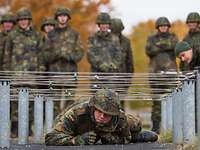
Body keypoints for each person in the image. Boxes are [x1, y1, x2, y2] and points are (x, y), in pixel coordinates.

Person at [45, 89, 158, 146]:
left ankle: (138, 136)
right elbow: (50, 138)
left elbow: (125, 139)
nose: (102, 116)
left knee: (136, 125)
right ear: (93, 108)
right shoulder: (76, 113)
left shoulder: (120, 118)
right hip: (77, 131)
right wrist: (76, 140)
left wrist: (107, 137)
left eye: (107, 114)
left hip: (110, 131)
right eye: (99, 112)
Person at [4, 7, 41, 137]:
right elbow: (7, 57)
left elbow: (40, 55)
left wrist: (40, 73)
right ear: (18, 21)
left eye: (25, 19)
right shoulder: (12, 36)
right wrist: (6, 74)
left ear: (29, 20)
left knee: (30, 104)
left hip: (32, 76)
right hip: (16, 76)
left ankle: (27, 129)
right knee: (15, 105)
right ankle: (15, 130)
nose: (23, 22)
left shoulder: (36, 35)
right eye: (21, 20)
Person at [145, 17, 178, 133]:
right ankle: (155, 126)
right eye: (161, 26)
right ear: (157, 27)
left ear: (168, 27)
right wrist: (165, 46)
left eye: (165, 26)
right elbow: (149, 50)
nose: (163, 27)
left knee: (172, 99)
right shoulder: (151, 38)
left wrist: (158, 46)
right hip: (155, 74)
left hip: (170, 74)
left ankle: (173, 127)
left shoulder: (173, 37)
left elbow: (175, 47)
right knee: (156, 102)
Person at [87, 13, 123, 95]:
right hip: (96, 74)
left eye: (106, 24)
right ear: (99, 25)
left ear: (109, 25)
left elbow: (119, 55)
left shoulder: (114, 38)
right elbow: (90, 54)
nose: (104, 26)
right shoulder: (92, 38)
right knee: (95, 99)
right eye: (102, 24)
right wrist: (100, 64)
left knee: (110, 99)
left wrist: (113, 65)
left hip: (111, 75)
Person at [110, 18, 134, 108]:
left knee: (120, 105)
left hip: (122, 78)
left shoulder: (126, 41)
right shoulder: (106, 41)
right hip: (107, 78)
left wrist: (128, 79)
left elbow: (129, 61)